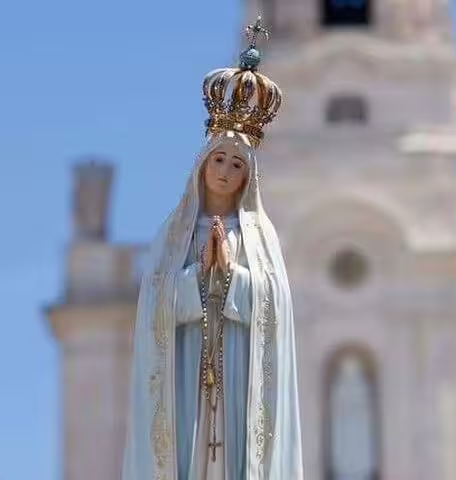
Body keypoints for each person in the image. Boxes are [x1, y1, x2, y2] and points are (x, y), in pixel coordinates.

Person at [122, 17, 303, 480]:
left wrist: (232, 275)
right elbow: (155, 307)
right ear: (202, 165)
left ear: (248, 175)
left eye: (236, 163)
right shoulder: (174, 234)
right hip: (186, 377)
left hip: (240, 376)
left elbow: (275, 308)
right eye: (218, 159)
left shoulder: (259, 236)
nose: (224, 171)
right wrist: (197, 277)